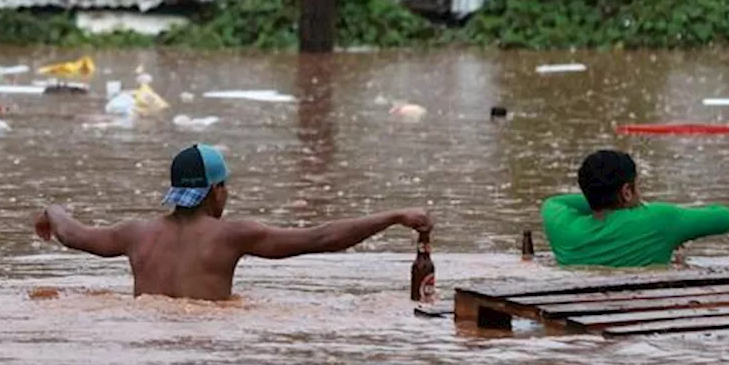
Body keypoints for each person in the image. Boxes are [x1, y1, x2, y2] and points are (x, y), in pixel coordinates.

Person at [34, 143, 433, 301]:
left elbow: (73, 234)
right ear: (214, 191)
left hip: (146, 335)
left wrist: (52, 211)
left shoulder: (136, 233)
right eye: (224, 187)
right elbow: (321, 238)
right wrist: (394, 216)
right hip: (209, 340)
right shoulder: (231, 234)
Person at [541, 150, 729, 267]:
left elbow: (556, 202)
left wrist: (597, 198)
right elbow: (727, 218)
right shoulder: (659, 220)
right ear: (627, 191)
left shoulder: (562, 227)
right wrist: (643, 208)